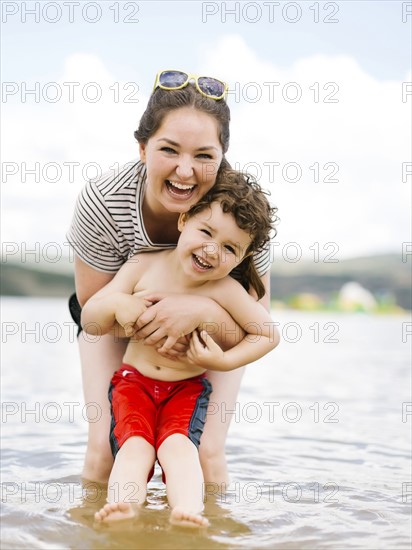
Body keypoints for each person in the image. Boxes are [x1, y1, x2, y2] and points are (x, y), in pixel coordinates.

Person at [66, 70, 273, 488]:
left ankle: (202, 530)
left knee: (206, 451)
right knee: (108, 449)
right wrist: (148, 313)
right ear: (143, 148)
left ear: (222, 156)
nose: (185, 170)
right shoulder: (104, 200)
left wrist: (199, 309)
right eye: (169, 149)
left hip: (214, 335)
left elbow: (253, 329)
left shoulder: (242, 217)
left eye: (203, 155)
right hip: (117, 314)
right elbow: (95, 315)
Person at [80, 172, 280, 527]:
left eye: (230, 248)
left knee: (181, 448)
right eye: (206, 232)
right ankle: (124, 506)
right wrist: (118, 304)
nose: (212, 251)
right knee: (134, 447)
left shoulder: (225, 289)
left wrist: (222, 360)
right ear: (185, 220)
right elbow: (92, 319)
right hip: (133, 383)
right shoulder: (144, 263)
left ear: (243, 257)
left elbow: (267, 334)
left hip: (185, 390)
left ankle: (188, 510)